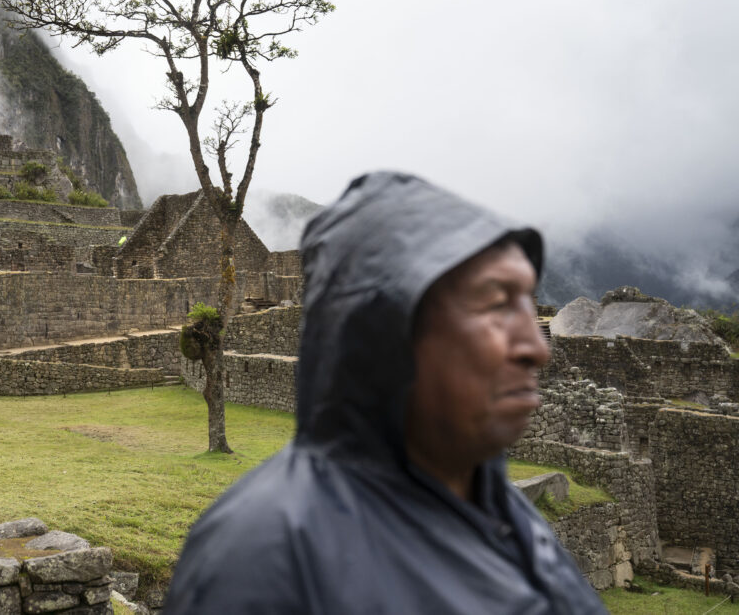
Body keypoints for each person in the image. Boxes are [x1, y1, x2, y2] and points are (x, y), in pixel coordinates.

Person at [163, 172, 606, 614]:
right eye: (495, 305)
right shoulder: (264, 561)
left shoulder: (506, 514)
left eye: (528, 303)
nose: (535, 348)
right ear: (384, 330)